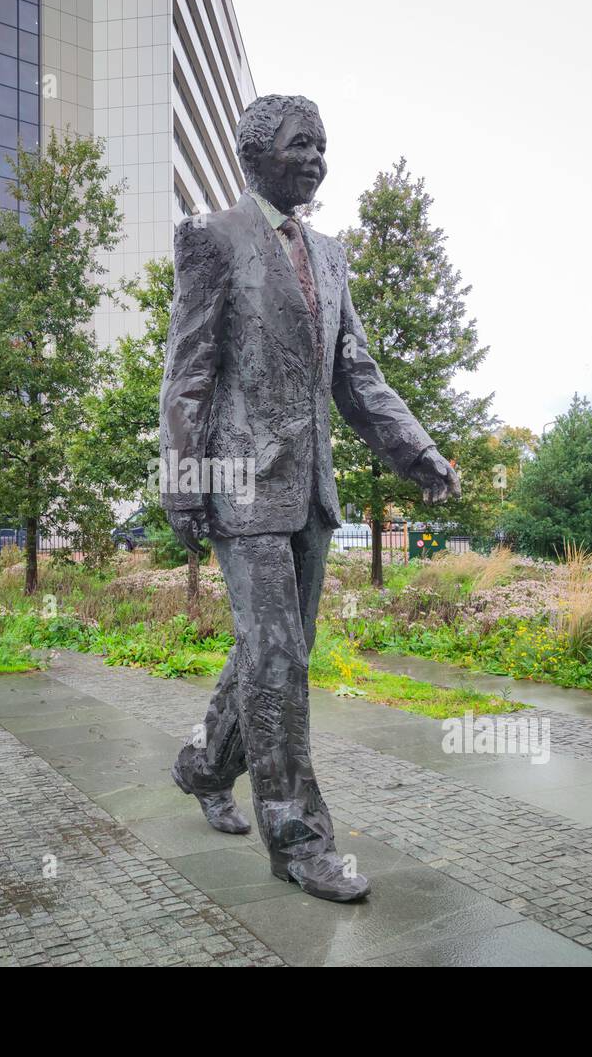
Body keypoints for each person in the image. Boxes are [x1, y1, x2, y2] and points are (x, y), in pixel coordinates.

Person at [160, 94, 461, 903]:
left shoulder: (330, 256)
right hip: (238, 484)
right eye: (302, 145)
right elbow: (187, 371)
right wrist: (183, 477)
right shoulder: (212, 239)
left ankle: (201, 763)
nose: (318, 159)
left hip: (311, 488)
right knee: (279, 657)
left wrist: (418, 450)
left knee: (273, 653)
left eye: (324, 146)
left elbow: (355, 375)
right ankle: (298, 839)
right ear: (255, 154)